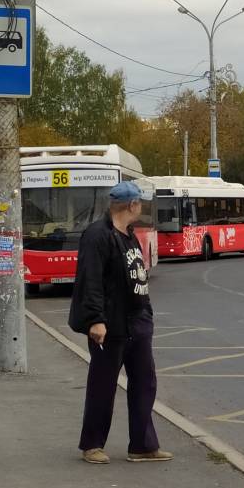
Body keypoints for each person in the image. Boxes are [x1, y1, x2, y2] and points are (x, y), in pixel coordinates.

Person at [68, 181, 172, 465]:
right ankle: (92, 445)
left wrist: (146, 314)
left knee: (145, 383)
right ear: (131, 205)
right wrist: (95, 320)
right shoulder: (97, 236)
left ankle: (142, 445)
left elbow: (138, 275)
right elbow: (90, 281)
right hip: (110, 326)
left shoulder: (128, 234)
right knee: (103, 386)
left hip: (136, 323)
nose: (141, 207)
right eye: (139, 203)